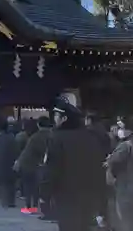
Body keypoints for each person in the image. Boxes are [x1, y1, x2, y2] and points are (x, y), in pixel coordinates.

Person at [41, 97, 105, 231]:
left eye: (57, 116)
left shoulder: (57, 139)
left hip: (66, 195)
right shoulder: (92, 137)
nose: (55, 119)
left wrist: (44, 194)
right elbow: (99, 166)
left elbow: (52, 169)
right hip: (89, 194)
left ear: (64, 119)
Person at [14, 116, 52, 214]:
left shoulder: (35, 137)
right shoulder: (53, 135)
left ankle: (29, 207)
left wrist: (18, 163)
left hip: (30, 165)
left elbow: (27, 152)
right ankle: (36, 207)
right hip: (46, 166)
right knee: (38, 189)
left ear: (39, 125)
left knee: (28, 187)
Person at [85, 113, 112, 227]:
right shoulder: (104, 133)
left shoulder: (89, 133)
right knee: (101, 193)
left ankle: (91, 217)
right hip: (102, 165)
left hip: (90, 166)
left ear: (89, 120)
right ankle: (102, 216)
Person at [0, 118, 19, 208]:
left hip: (1, 161)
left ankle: (5, 201)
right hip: (11, 161)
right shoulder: (12, 137)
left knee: (3, 183)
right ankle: (11, 202)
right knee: (11, 183)